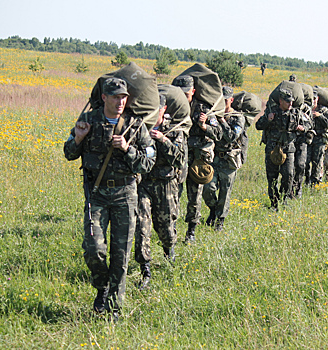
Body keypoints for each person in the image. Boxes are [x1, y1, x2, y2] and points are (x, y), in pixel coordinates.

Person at [64, 77, 156, 319]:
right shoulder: (89, 121)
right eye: (115, 97)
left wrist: (127, 148)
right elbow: (68, 153)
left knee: (121, 254)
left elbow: (148, 163)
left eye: (124, 97)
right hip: (96, 195)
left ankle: (115, 308)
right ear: (104, 97)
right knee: (93, 249)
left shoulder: (136, 126)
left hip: (125, 195)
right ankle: (102, 287)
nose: (120, 101)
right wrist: (79, 138)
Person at [135, 93, 188, 290]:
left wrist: (164, 140)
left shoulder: (174, 130)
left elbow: (180, 159)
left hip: (166, 184)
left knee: (166, 227)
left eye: (156, 110)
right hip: (145, 183)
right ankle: (145, 270)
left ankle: (169, 253)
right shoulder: (141, 128)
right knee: (142, 226)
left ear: (163, 109)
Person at [174, 75, 223, 243]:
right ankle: (170, 231)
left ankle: (191, 232)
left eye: (186, 95)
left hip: (197, 161)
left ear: (193, 92)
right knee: (173, 195)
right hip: (177, 159)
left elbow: (218, 133)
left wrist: (204, 126)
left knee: (195, 197)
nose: (183, 98)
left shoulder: (203, 109)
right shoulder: (172, 108)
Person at [203, 86, 246, 231]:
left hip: (229, 160)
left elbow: (232, 137)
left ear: (231, 100)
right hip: (214, 158)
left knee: (225, 192)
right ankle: (213, 210)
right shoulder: (214, 116)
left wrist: (221, 120)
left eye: (225, 100)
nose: (222, 103)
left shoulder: (238, 118)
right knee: (208, 188)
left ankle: (220, 220)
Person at [255, 88, 303, 210]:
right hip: (272, 149)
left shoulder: (296, 113)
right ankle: (274, 203)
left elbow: (308, 124)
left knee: (288, 175)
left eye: (291, 101)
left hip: (289, 149)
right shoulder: (271, 112)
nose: (290, 104)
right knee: (272, 178)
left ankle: (285, 199)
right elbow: (258, 125)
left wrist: (303, 128)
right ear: (281, 101)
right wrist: (268, 119)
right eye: (287, 101)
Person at [305, 89, 328, 185]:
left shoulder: (323, 110)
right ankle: (306, 182)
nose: (313, 101)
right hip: (308, 140)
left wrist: (320, 116)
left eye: (315, 99)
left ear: (318, 99)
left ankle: (315, 184)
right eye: (311, 99)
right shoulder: (306, 110)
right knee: (306, 162)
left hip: (319, 140)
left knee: (317, 163)